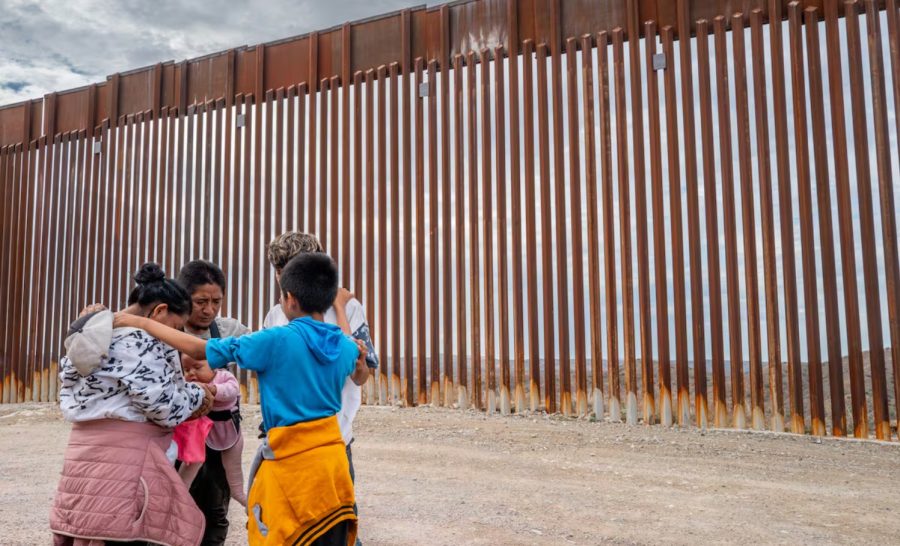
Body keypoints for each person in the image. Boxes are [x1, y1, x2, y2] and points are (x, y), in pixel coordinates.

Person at [115, 253, 369, 545]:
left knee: (280, 534)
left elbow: (199, 350)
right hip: (331, 459)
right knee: (327, 532)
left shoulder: (274, 340)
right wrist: (341, 308)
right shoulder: (345, 345)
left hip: (289, 460)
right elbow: (358, 365)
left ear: (289, 299)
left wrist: (142, 323)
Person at [50, 263, 214, 546]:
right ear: (159, 311)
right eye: (175, 328)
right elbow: (163, 407)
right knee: (119, 533)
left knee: (87, 530)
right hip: (126, 462)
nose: (173, 339)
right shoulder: (143, 340)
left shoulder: (90, 336)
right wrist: (200, 394)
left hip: (81, 455)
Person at [263, 233, 378, 483]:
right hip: (285, 439)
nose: (284, 278)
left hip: (334, 438)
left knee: (338, 518)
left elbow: (360, 376)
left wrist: (339, 309)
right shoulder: (275, 316)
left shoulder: (349, 310)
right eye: (280, 270)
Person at [176, 260, 251, 545]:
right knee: (174, 503)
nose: (209, 310)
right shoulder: (166, 329)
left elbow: (268, 347)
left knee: (215, 510)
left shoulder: (229, 330)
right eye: (201, 302)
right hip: (177, 438)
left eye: (216, 302)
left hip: (220, 439)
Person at [177, 354, 247, 507]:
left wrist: (213, 389)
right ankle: (179, 492)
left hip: (229, 432)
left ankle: (240, 495)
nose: (191, 373)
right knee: (191, 461)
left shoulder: (224, 377)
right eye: (187, 369)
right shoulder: (190, 385)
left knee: (233, 470)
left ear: (214, 365)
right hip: (201, 433)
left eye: (197, 367)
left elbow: (232, 390)